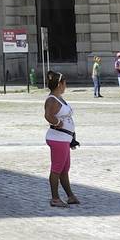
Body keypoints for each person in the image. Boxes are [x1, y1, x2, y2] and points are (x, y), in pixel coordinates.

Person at [42, 70, 80, 208]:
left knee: (64, 169)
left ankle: (70, 196)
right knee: (57, 169)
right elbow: (48, 115)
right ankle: (55, 198)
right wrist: (59, 123)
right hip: (58, 139)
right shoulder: (52, 99)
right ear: (60, 84)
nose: (66, 86)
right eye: (65, 83)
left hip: (64, 138)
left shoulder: (58, 98)